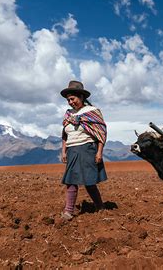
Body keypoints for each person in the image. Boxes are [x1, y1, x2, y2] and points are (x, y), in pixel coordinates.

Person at [60, 80, 107, 220]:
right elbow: (64, 134)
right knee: (71, 180)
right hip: (72, 150)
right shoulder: (68, 114)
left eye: (72, 99)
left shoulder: (92, 113)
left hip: (87, 149)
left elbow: (101, 133)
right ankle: (69, 211)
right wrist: (63, 151)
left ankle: (100, 206)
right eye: (68, 100)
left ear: (81, 97)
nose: (70, 102)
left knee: (89, 181)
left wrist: (99, 152)